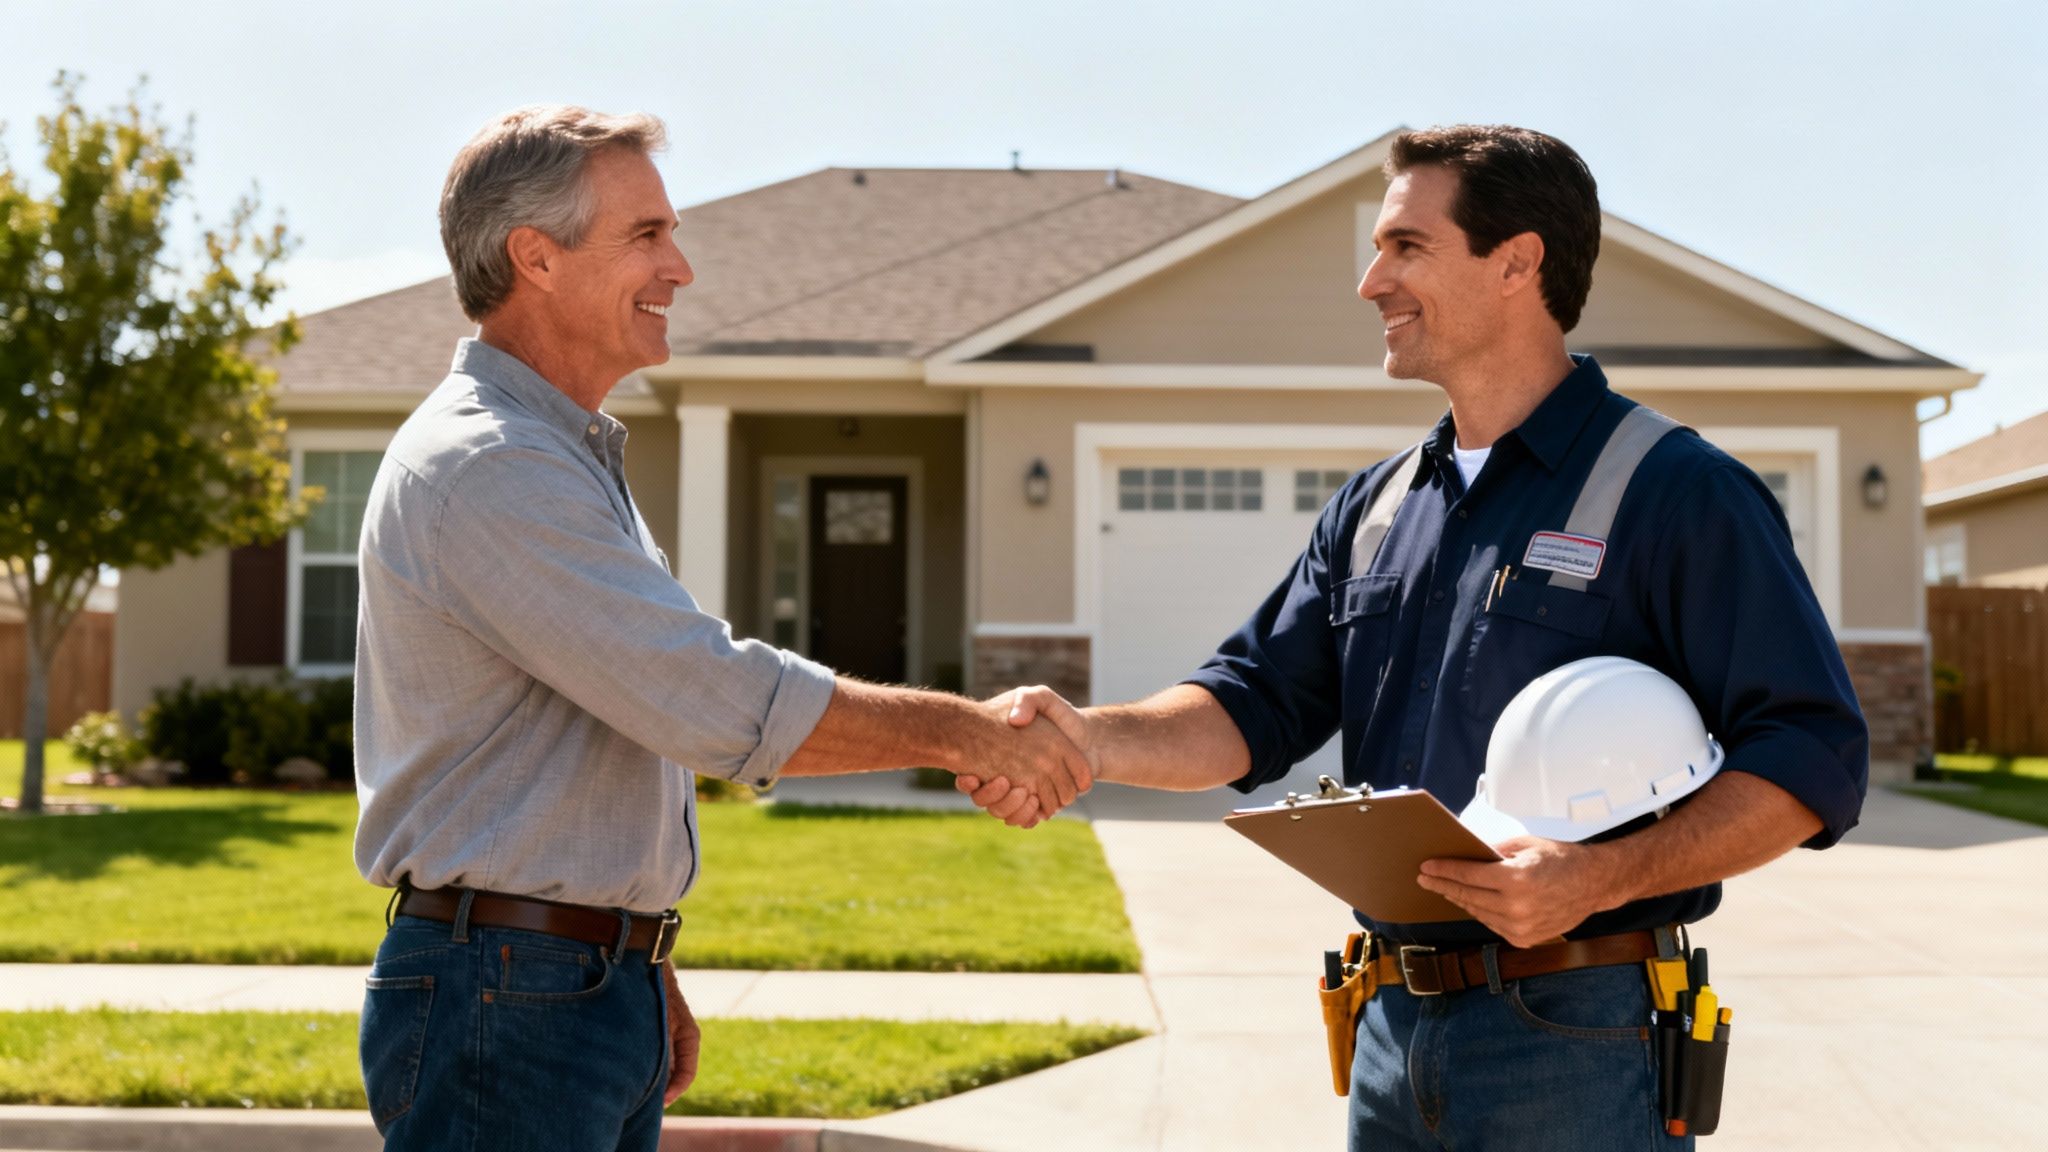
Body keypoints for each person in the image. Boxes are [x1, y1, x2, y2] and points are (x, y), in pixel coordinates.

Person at [965, 125, 1868, 1150]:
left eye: (1404, 247)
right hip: (1389, 1030)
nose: (1369, 282)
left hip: (1575, 1035)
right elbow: (1253, 700)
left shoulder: (1676, 492)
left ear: (1516, 263)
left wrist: (1594, 879)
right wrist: (1086, 739)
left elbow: (1808, 758)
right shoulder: (1378, 505)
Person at [351, 105, 1088, 1152]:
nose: (681, 266)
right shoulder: (491, 464)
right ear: (535, 257)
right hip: (508, 1001)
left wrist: (639, 954)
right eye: (646, 234)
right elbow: (709, 700)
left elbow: (596, 740)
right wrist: (967, 733)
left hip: (557, 983)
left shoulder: (556, 456)